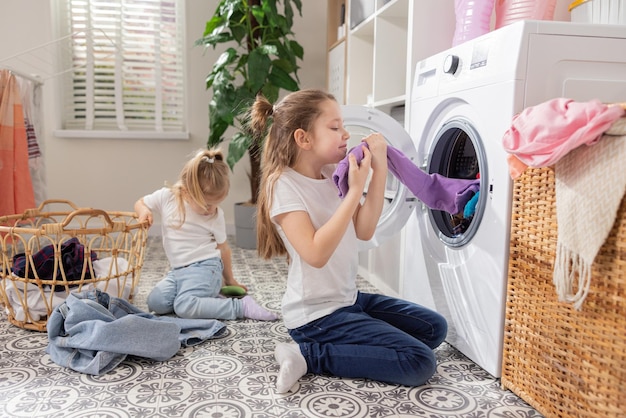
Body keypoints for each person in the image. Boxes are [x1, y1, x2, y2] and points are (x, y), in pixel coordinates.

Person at [252, 89, 448, 393]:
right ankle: (306, 355)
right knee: (418, 361)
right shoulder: (284, 185)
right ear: (304, 139)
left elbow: (364, 229)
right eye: (334, 127)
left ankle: (351, 338)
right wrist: (354, 191)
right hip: (315, 316)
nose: (345, 134)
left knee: (435, 329)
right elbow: (315, 253)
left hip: (347, 299)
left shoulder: (332, 172)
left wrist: (378, 169)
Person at [134, 148, 277, 321]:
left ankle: (241, 306)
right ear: (187, 191)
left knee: (184, 307)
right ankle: (207, 299)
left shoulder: (216, 216)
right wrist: (143, 212)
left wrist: (230, 279)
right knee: (155, 303)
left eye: (216, 204)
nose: (212, 209)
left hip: (206, 267)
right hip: (178, 270)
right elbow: (141, 202)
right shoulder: (167, 197)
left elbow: (223, 249)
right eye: (207, 205)